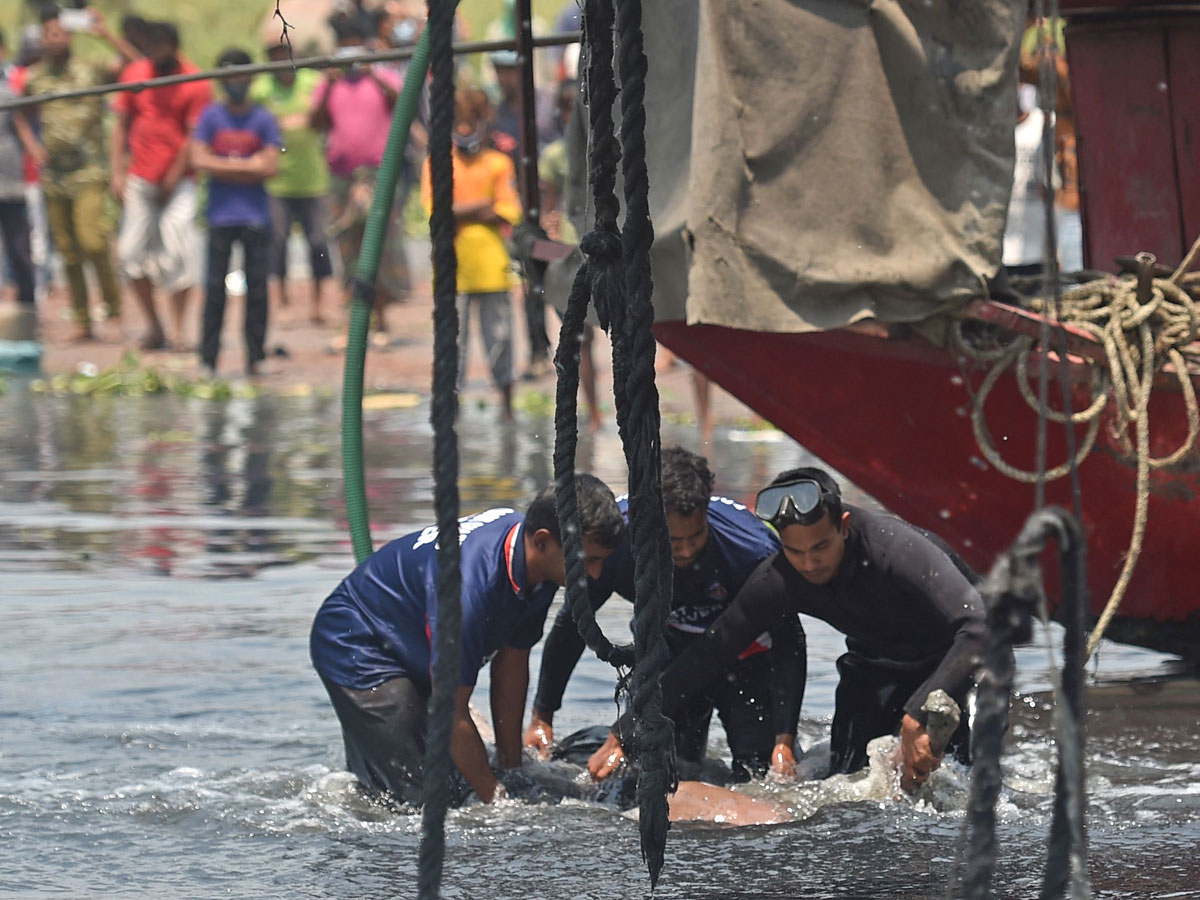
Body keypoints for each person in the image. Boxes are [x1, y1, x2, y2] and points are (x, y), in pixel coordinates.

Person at [591, 466, 986, 794]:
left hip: (953, 661)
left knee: (960, 785)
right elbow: (709, 654)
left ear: (843, 526)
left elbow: (976, 627)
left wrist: (917, 714)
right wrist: (628, 728)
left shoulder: (892, 547)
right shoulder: (780, 577)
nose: (809, 564)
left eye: (820, 548)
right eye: (795, 552)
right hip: (873, 663)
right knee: (851, 785)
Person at [309, 474, 626, 805]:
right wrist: (497, 801)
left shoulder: (538, 559)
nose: (595, 575)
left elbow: (512, 664)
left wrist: (512, 769)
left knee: (460, 776)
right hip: (357, 643)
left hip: (411, 639)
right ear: (543, 541)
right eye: (588, 561)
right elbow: (450, 708)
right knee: (422, 799)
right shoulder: (469, 590)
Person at [526, 447, 805, 782]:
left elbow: (790, 640)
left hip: (747, 661)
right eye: (674, 541)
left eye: (696, 535)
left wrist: (784, 739)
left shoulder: (752, 551)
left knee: (763, 776)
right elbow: (573, 625)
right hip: (667, 657)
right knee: (657, 772)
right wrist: (543, 716)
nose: (687, 550)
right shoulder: (615, 546)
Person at [13, 4, 132, 340]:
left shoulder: (89, 70)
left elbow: (135, 65)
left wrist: (105, 34)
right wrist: (32, 145)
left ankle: (112, 302)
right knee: (68, 250)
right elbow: (19, 112)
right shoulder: (35, 76)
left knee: (93, 240)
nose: (56, 40)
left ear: (70, 36)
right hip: (55, 175)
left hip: (89, 170)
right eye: (50, 34)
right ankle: (83, 320)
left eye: (62, 33)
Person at [421, 87, 522, 420]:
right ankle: (452, 411)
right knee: (452, 345)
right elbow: (436, 212)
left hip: (493, 265)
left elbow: (509, 211)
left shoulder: (498, 162)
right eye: (459, 122)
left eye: (470, 122)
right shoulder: (437, 164)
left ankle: (507, 408)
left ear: (482, 122)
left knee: (501, 340)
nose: (464, 130)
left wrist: (458, 210)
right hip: (452, 268)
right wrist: (482, 205)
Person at [111, 20, 211, 352]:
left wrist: (173, 175)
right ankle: (155, 326)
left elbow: (194, 134)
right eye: (154, 48)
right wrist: (116, 171)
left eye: (164, 47)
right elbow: (120, 124)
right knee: (129, 254)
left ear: (174, 46)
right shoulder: (135, 74)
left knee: (178, 254)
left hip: (180, 181)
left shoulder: (193, 80)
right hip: (140, 176)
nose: (159, 53)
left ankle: (180, 330)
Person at [310, 18, 407, 343]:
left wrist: (373, 74)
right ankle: (352, 321)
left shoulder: (382, 74)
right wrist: (329, 82)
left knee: (378, 244)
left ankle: (380, 319)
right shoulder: (329, 82)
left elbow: (402, 104)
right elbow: (315, 122)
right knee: (346, 245)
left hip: (378, 172)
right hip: (341, 176)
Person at [191, 49, 281, 377]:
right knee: (214, 290)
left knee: (257, 290)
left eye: (241, 76)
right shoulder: (210, 117)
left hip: (255, 216)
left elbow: (270, 165)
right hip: (220, 216)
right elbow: (198, 160)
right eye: (229, 77)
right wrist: (247, 165)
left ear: (252, 77)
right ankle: (208, 359)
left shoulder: (263, 118)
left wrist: (225, 164)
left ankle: (256, 357)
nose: (236, 83)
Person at [250, 42, 333, 324]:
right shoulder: (260, 89)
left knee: (318, 243)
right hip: (278, 183)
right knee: (278, 243)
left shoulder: (313, 81)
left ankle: (318, 303)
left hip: (313, 180)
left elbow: (319, 118)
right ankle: (282, 300)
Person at [0, 35, 36, 311]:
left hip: (10, 181)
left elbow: (23, 128)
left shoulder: (9, 90)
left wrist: (37, 154)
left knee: (19, 249)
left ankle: (27, 308)